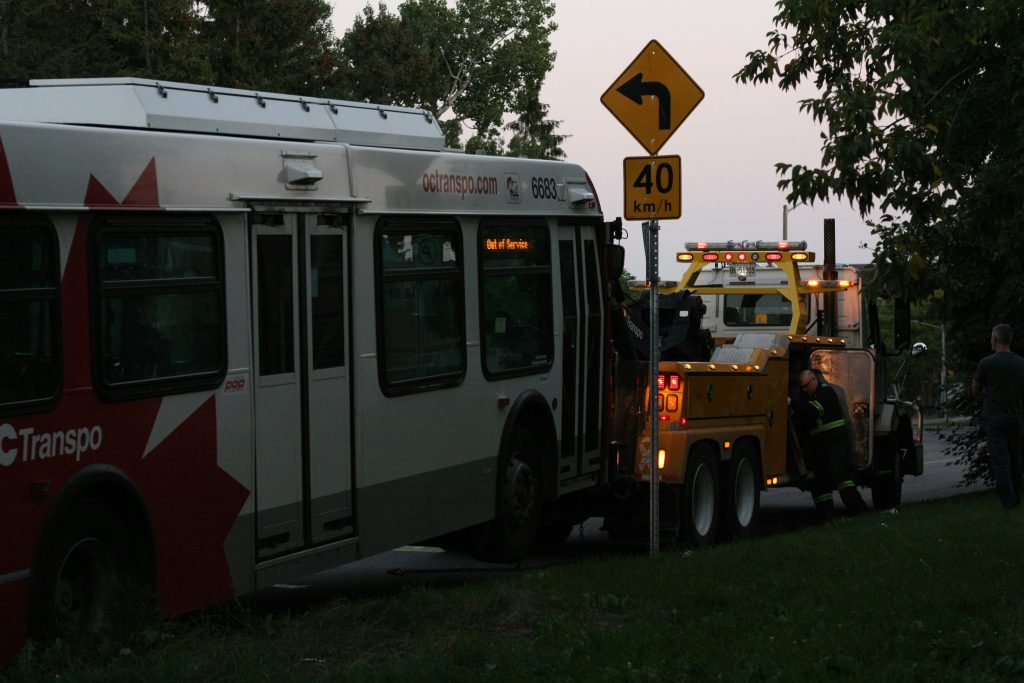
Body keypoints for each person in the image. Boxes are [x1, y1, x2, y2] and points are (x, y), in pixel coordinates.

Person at [796, 369, 868, 519]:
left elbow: (815, 410)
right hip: (820, 445)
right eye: (802, 387)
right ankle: (825, 516)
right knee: (820, 480)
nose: (804, 389)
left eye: (806, 386)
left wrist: (793, 404)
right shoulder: (807, 397)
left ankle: (859, 510)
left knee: (839, 475)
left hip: (835, 442)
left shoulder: (826, 393)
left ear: (814, 381)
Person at [972, 323, 1024, 509]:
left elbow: (975, 389)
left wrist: (988, 390)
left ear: (995, 339)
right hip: (1016, 418)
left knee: (1001, 461)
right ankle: (1017, 497)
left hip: (995, 419)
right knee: (1015, 458)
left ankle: (1008, 502)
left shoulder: (987, 363)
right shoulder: (1020, 363)